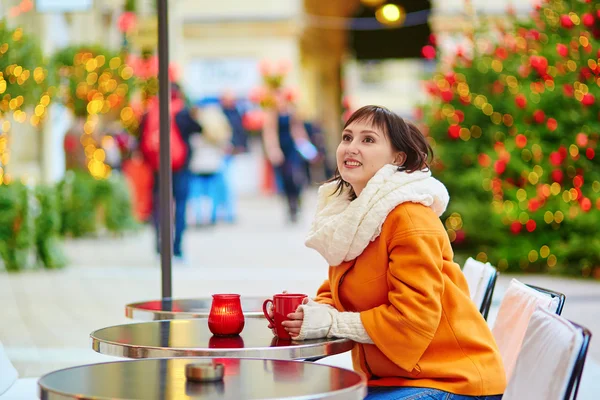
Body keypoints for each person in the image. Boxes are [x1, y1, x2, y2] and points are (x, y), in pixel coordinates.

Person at [279, 105, 505, 399]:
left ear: (397, 158)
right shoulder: (356, 218)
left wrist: (333, 322)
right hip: (396, 377)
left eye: (368, 140)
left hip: (449, 379)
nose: (352, 147)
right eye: (347, 137)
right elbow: (338, 288)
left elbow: (412, 321)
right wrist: (318, 311)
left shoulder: (407, 218)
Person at [140, 83, 201, 260]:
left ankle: (160, 246)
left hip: (158, 168)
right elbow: (199, 129)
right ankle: (177, 247)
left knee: (160, 206)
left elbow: (141, 140)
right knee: (180, 206)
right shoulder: (182, 112)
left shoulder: (151, 112)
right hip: (181, 168)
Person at [262, 91, 312, 223]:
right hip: (280, 149)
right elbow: (269, 134)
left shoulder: (292, 113)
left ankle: (298, 199)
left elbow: (299, 130)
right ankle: (291, 206)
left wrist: (307, 148)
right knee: (285, 180)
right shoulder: (272, 115)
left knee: (295, 176)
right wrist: (273, 150)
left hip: (293, 148)